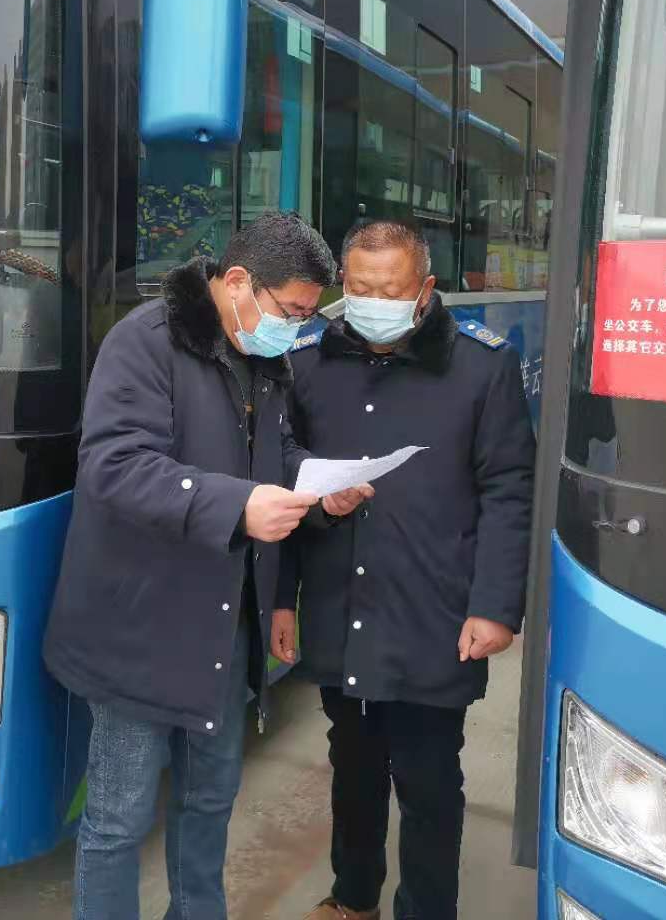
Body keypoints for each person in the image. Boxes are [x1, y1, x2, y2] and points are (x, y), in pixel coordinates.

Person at [44, 212, 368, 920]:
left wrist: (319, 488)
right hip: (139, 631)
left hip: (225, 626)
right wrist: (238, 504)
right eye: (292, 312)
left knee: (209, 800)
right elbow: (115, 465)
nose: (297, 329)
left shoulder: (263, 358)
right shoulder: (146, 342)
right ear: (239, 282)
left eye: (308, 317)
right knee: (119, 819)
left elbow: (273, 456)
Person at [273, 219, 536, 920]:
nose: (373, 303)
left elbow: (509, 492)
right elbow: (281, 473)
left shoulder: (481, 367)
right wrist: (284, 596)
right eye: (359, 289)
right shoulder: (306, 363)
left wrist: (495, 606)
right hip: (342, 599)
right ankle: (353, 897)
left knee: (428, 781)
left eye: (390, 291)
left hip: (435, 610)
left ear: (424, 289)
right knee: (353, 765)